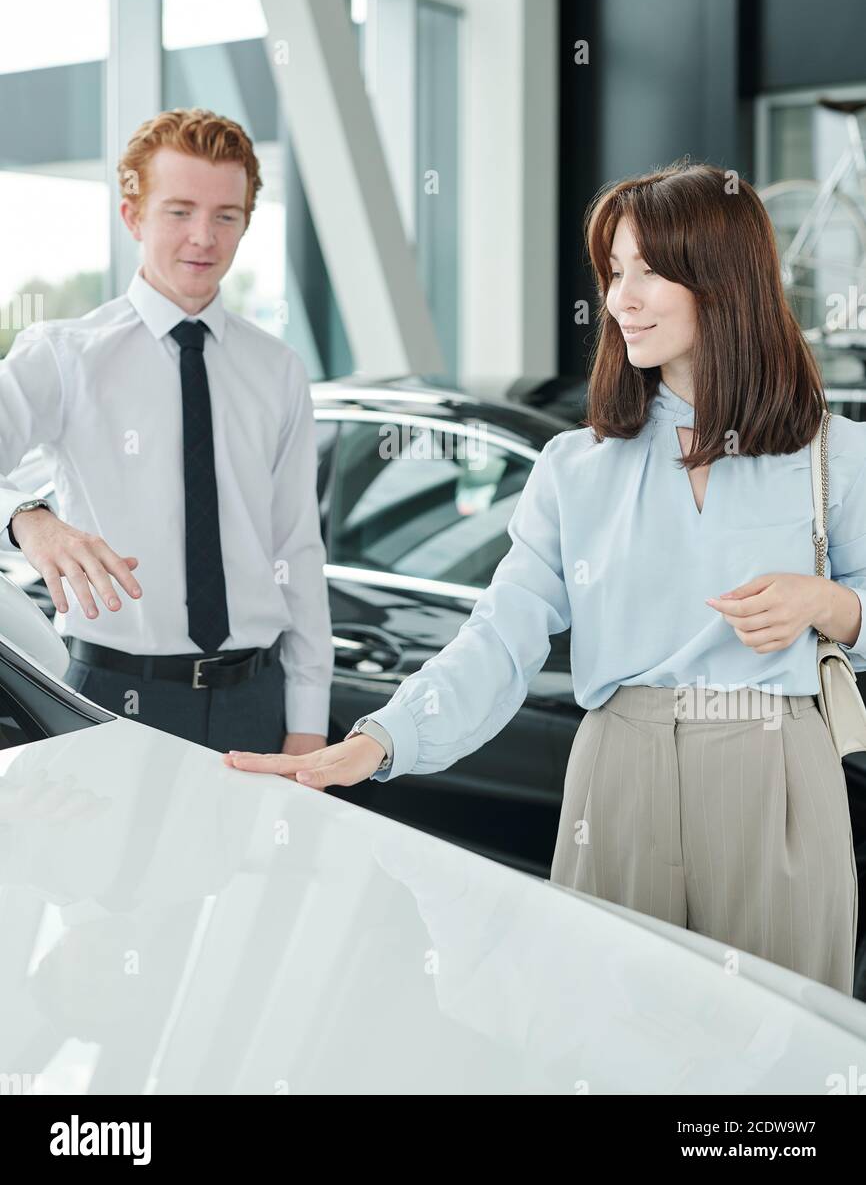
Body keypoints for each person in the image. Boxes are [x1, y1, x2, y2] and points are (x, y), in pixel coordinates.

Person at [224, 160, 865, 995]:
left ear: (724, 280)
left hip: (778, 774)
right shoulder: (576, 467)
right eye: (612, 273)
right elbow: (501, 634)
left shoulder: (834, 453)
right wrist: (377, 743)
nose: (619, 299)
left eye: (648, 271)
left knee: (776, 1071)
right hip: (617, 776)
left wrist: (837, 607)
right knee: (609, 1038)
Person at [2, 107, 332, 758]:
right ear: (133, 216)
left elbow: (298, 552)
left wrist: (307, 725)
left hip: (254, 702)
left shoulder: (278, 370)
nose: (203, 238)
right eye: (179, 211)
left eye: (225, 216)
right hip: (109, 699)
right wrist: (30, 519)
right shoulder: (66, 353)